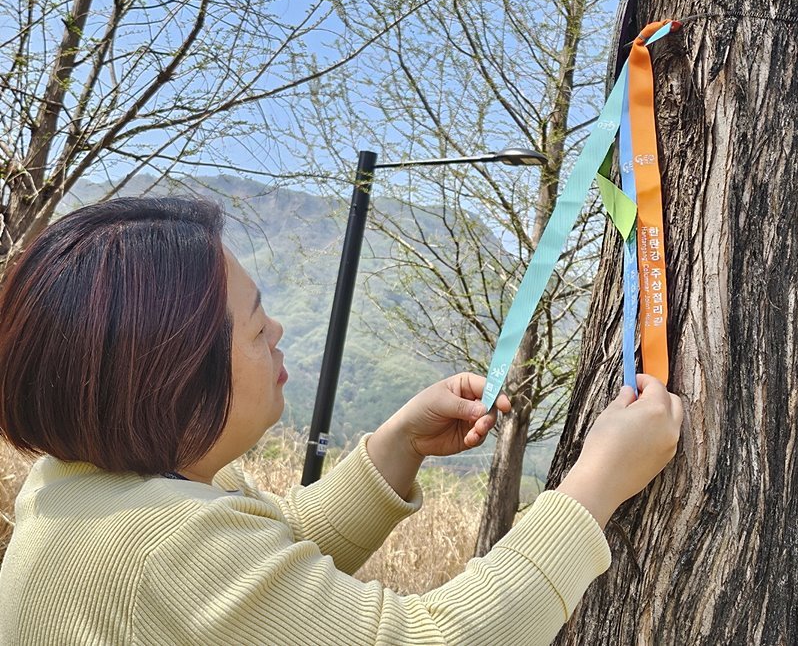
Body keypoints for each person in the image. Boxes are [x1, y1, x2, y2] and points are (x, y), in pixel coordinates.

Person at [0, 197, 683, 645]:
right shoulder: (165, 549)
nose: (277, 330)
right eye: (254, 325)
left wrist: (397, 446)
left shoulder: (72, 487)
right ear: (171, 375)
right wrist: (596, 484)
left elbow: (271, 548)